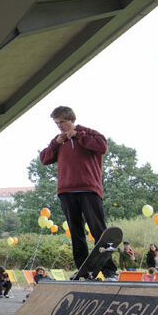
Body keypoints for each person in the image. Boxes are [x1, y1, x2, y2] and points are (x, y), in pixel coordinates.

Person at [38, 105, 112, 280]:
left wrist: (79, 136)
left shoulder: (88, 133)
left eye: (62, 122)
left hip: (88, 188)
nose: (60, 126)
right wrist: (56, 143)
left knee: (97, 230)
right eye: (57, 123)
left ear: (71, 120)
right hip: (66, 191)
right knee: (75, 232)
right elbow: (44, 159)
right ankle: (83, 270)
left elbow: (102, 147)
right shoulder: (58, 140)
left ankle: (109, 270)